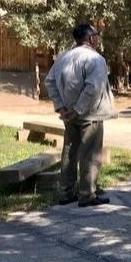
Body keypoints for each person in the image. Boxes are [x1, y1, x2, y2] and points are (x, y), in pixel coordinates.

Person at [45, 23, 116, 207]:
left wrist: (61, 108)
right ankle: (87, 194)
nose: (98, 38)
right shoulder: (95, 59)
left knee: (70, 152)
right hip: (89, 114)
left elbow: (50, 81)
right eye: (96, 34)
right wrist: (78, 109)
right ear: (91, 38)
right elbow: (94, 88)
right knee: (90, 154)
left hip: (69, 114)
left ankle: (66, 192)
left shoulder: (62, 57)